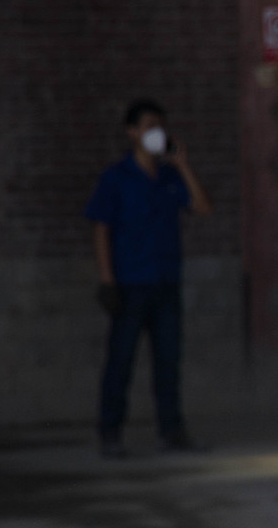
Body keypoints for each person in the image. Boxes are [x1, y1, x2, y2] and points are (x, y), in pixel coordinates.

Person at [85, 99, 212, 458]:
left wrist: (183, 166)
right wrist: (107, 279)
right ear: (132, 132)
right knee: (121, 361)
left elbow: (203, 207)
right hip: (129, 285)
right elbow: (101, 228)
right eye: (149, 126)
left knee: (168, 361)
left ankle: (172, 431)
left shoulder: (170, 177)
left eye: (161, 126)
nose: (157, 132)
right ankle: (110, 432)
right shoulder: (116, 178)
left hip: (166, 283)